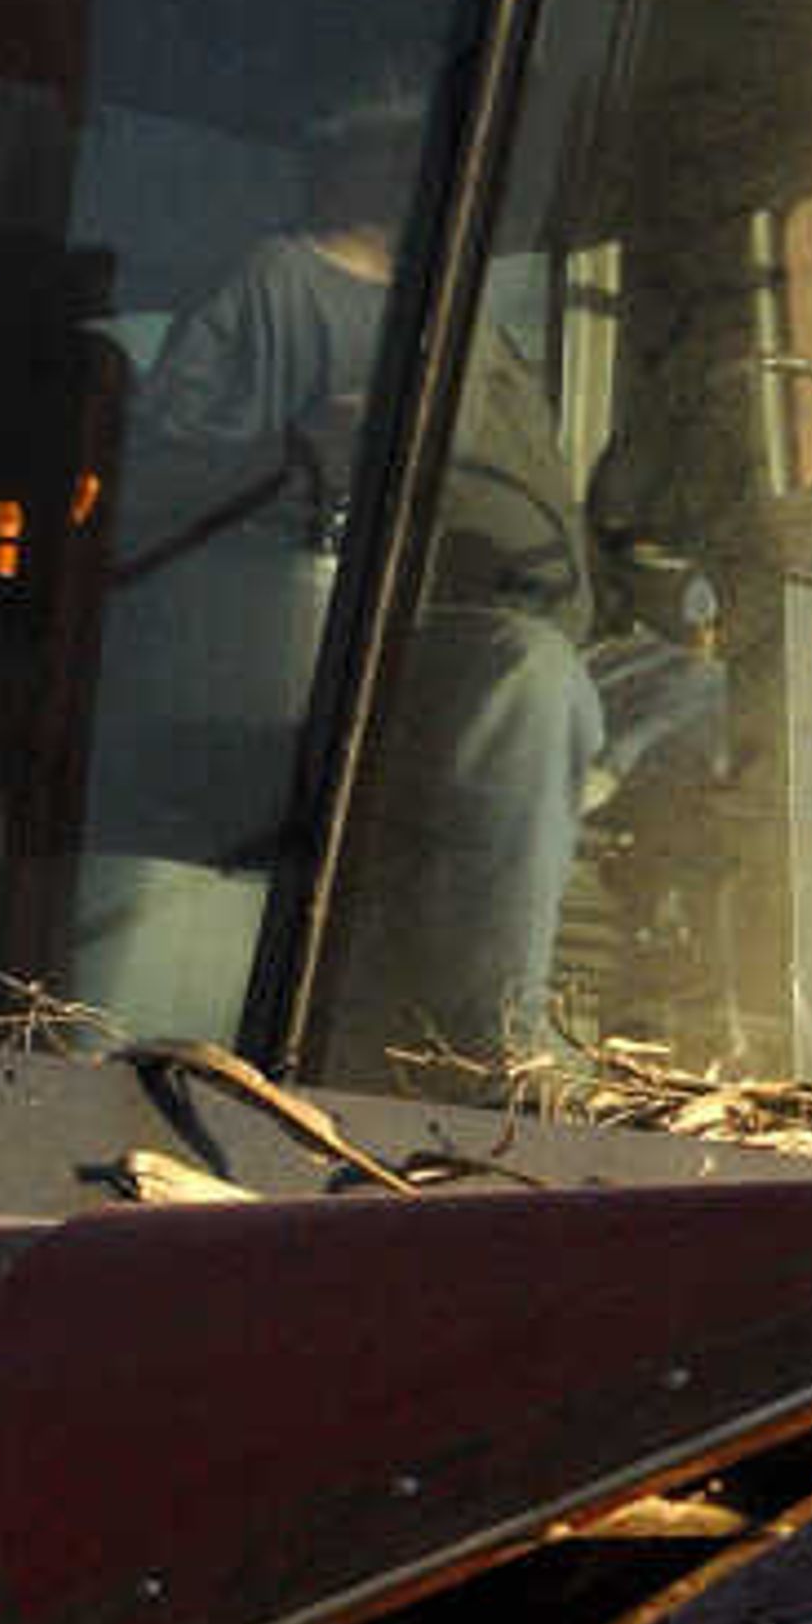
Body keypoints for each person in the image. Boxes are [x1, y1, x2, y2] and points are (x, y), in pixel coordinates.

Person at [115, 94, 720, 1066]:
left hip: (522, 645)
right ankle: (487, 1050)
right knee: (526, 677)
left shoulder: (467, 322)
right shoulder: (280, 285)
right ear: (357, 164)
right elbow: (157, 485)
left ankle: (672, 1034)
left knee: (698, 687)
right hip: (347, 656)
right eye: (410, 156)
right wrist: (307, 447)